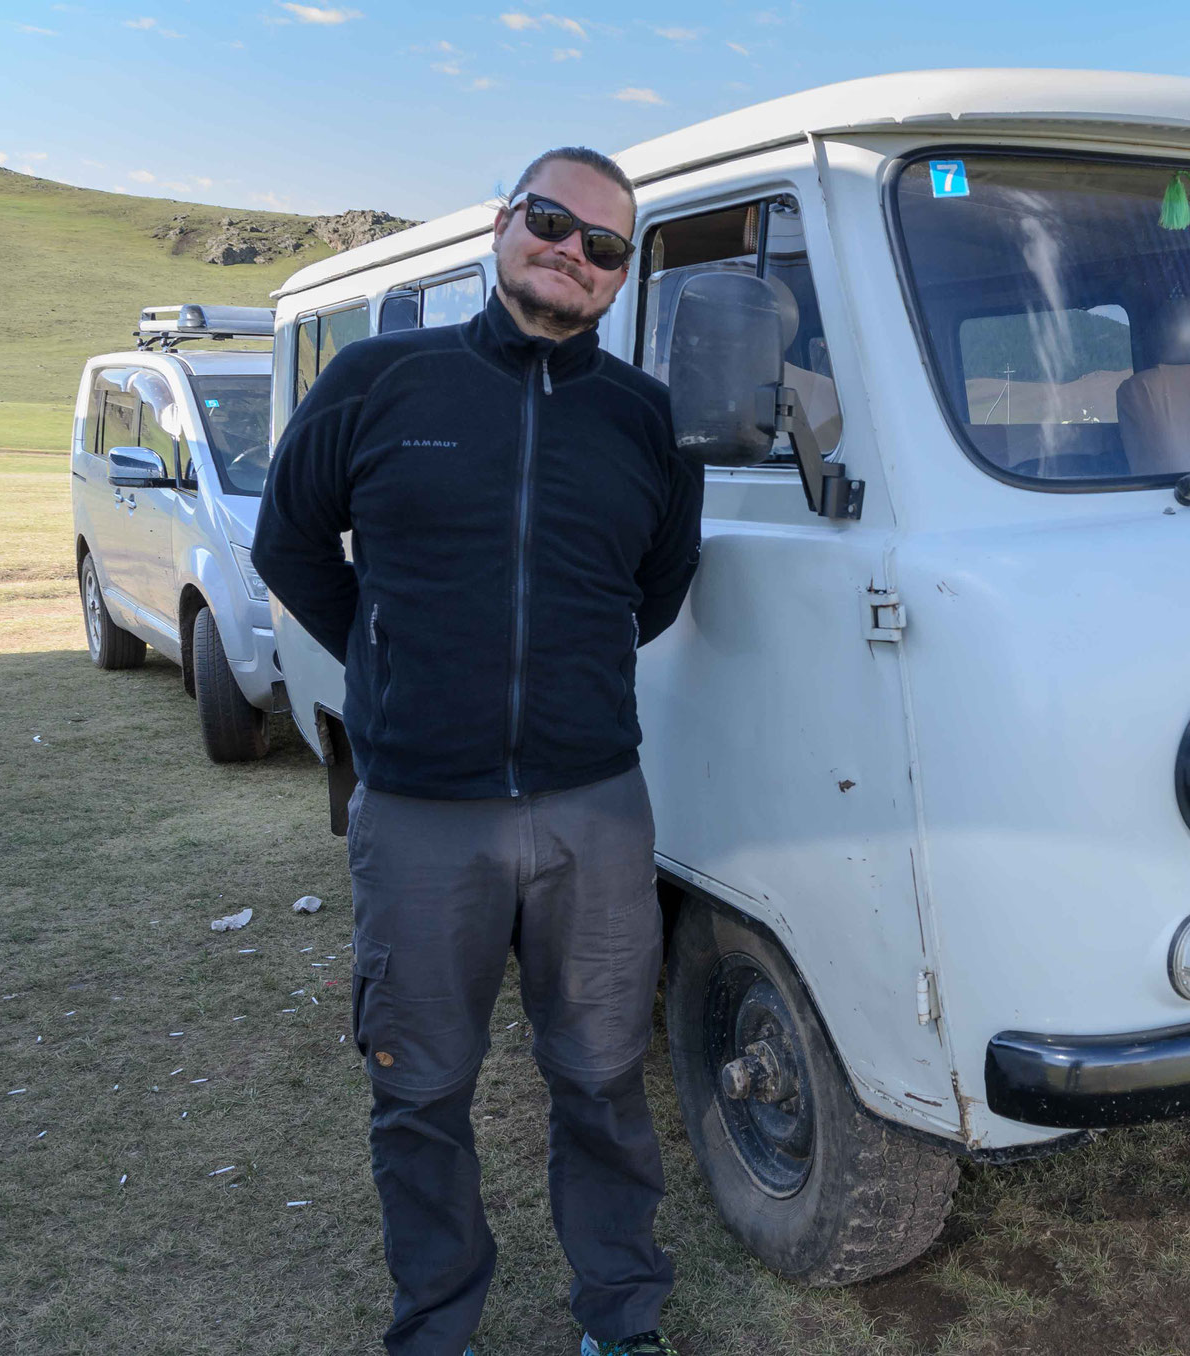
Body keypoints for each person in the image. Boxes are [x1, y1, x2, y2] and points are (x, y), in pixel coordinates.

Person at [254, 146, 701, 1356]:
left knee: (604, 1084)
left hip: (593, 810)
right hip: (420, 813)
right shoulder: (376, 381)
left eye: (604, 246)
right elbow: (289, 546)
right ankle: (437, 1323)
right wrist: (389, 660)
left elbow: (655, 589)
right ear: (507, 222)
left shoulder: (642, 418)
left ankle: (620, 1321)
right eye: (554, 222)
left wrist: (565, 677)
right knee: (418, 1089)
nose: (574, 253)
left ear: (619, 277)